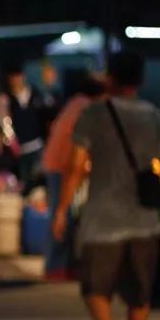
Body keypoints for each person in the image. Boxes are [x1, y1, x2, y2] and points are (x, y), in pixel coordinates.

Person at [52, 50, 160, 320]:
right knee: (140, 294)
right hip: (145, 220)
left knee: (95, 289)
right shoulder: (156, 117)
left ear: (110, 77)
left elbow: (76, 167)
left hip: (101, 219)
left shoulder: (93, 114)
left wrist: (62, 210)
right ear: (140, 80)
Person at [41, 73, 105, 281]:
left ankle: (62, 266)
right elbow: (78, 153)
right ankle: (55, 267)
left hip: (58, 164)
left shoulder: (77, 103)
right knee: (61, 216)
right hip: (63, 166)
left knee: (63, 215)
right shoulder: (86, 109)